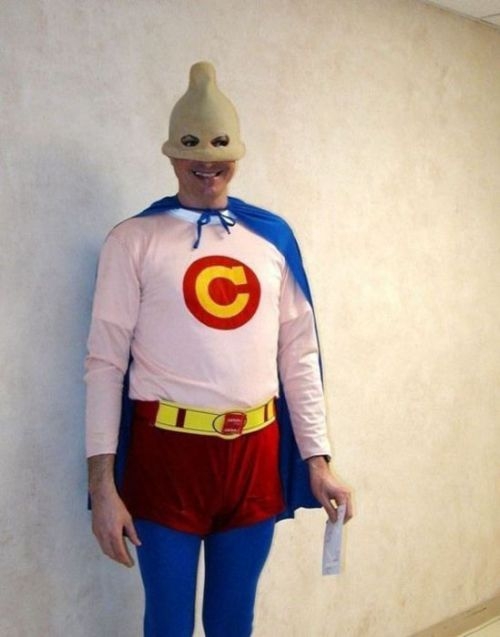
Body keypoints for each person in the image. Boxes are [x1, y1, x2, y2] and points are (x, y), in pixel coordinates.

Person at [85, 61, 352, 637]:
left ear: (237, 154)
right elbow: (105, 365)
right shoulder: (133, 240)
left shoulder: (271, 237)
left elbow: (298, 357)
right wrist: (101, 487)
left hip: (254, 453)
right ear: (172, 155)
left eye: (220, 148)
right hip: (168, 458)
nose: (207, 163)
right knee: (169, 624)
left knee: (234, 622)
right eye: (193, 149)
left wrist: (318, 460)